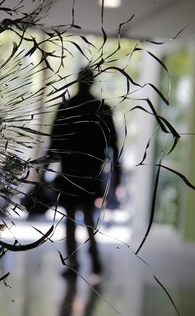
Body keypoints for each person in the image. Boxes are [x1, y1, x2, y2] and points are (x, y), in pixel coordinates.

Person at [46, 69, 120, 276]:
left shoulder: (66, 107)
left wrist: (43, 174)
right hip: (90, 172)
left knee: (70, 219)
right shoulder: (102, 108)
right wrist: (117, 176)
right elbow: (113, 145)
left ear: (77, 82)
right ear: (92, 83)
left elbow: (53, 143)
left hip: (69, 172)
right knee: (88, 217)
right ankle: (94, 260)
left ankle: (73, 263)